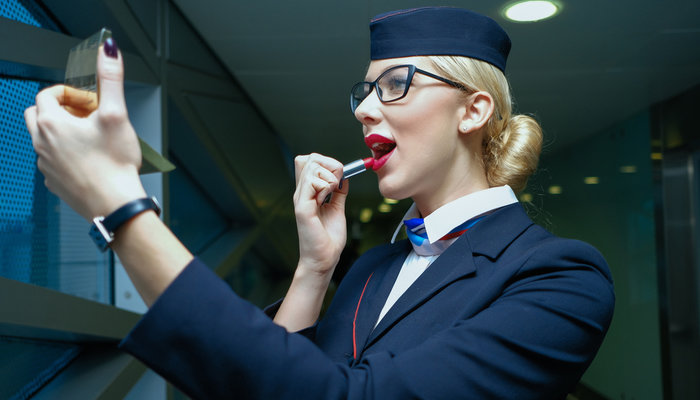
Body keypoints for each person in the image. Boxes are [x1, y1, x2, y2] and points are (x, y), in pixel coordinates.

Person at [24, 7, 614, 400]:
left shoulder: (560, 278)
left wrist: (120, 205)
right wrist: (313, 269)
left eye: (395, 84)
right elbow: (268, 383)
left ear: (473, 111)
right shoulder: (369, 269)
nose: (363, 110)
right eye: (364, 92)